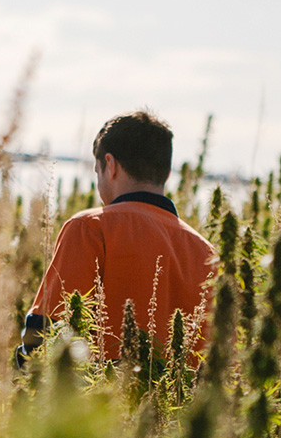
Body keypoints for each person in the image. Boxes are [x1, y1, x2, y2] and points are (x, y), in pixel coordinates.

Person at [18, 110, 217, 364]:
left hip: (99, 402)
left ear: (110, 165)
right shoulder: (207, 253)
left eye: (97, 171)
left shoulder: (90, 228)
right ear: (166, 174)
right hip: (184, 403)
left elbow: (42, 339)